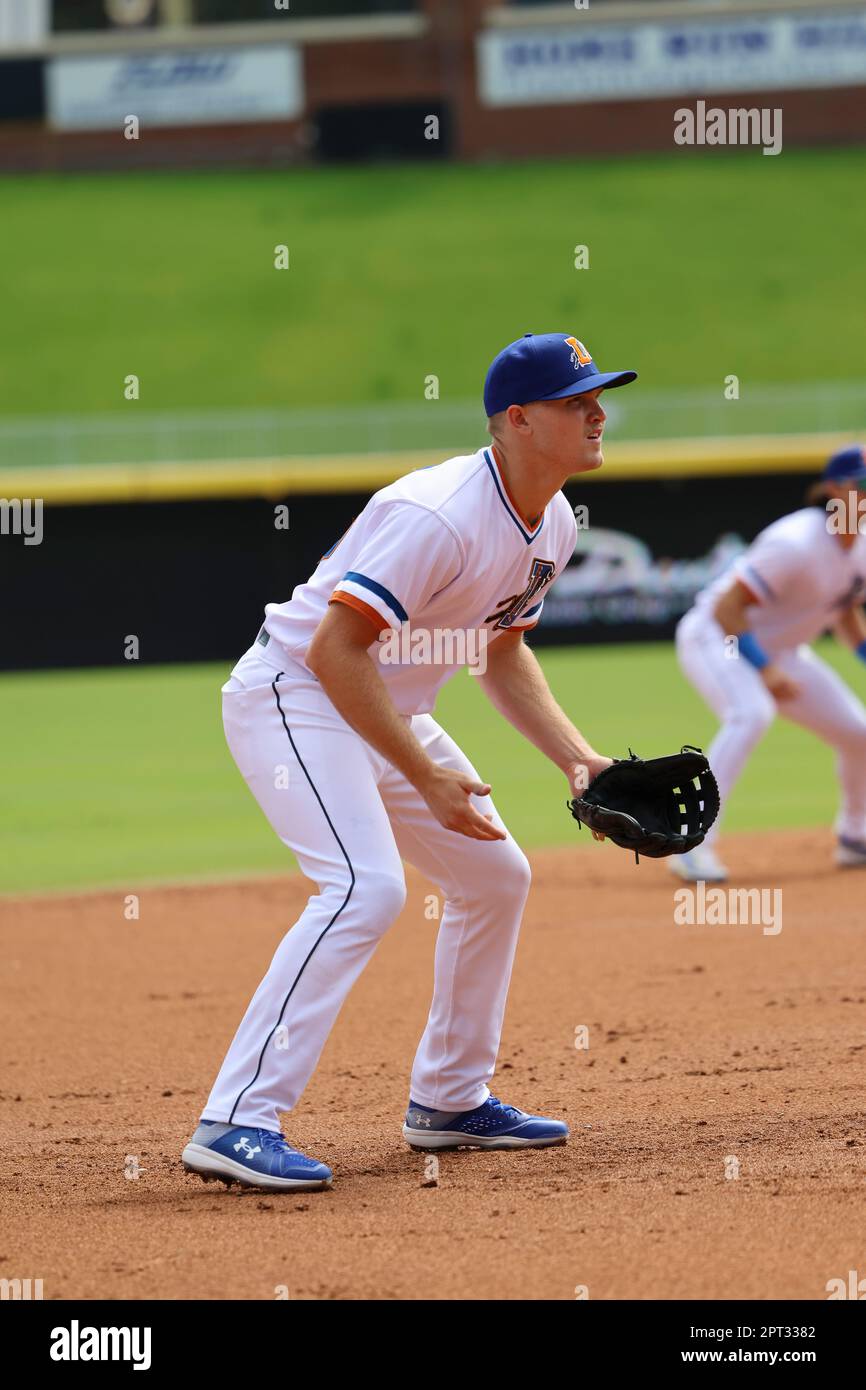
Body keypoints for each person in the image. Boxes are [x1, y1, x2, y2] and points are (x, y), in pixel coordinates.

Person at [181, 332, 637, 1192]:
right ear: (518, 420)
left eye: (597, 397)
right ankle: (236, 1119)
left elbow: (500, 654)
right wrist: (425, 773)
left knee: (496, 874)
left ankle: (450, 1101)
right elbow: (334, 649)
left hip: (382, 706)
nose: (598, 412)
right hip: (298, 695)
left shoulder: (558, 521)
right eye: (577, 401)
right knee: (364, 885)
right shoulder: (438, 513)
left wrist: (580, 761)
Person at [672, 445, 866, 884]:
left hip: (782, 652)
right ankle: (691, 842)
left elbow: (846, 610)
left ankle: (856, 836)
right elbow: (727, 608)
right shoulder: (795, 542)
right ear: (836, 490)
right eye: (863, 486)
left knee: (859, 735)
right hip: (715, 637)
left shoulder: (862, 545)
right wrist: (764, 669)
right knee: (751, 713)